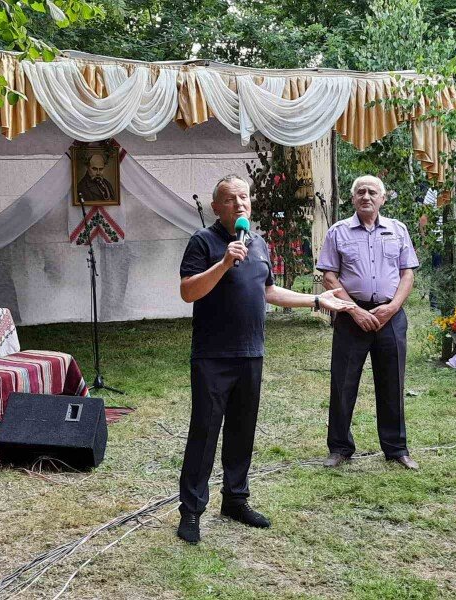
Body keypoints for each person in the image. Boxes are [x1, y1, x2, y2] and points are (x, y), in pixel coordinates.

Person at [177, 174, 356, 544]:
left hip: (251, 353)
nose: (240, 204)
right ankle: (191, 511)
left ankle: (235, 500)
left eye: (244, 197)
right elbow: (188, 292)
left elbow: (268, 290)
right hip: (213, 356)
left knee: (242, 432)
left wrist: (316, 300)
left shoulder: (258, 243)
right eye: (230, 199)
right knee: (204, 433)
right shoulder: (203, 242)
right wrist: (224, 263)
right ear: (217, 207)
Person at [317, 175, 420, 471]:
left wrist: (393, 307)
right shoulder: (338, 232)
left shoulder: (398, 230)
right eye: (360, 192)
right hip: (352, 317)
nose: (366, 196)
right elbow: (329, 276)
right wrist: (354, 310)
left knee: (392, 382)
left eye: (372, 192)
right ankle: (339, 448)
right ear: (352, 199)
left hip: (391, 315)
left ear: (382, 199)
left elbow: (407, 274)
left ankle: (396, 449)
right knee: (343, 382)